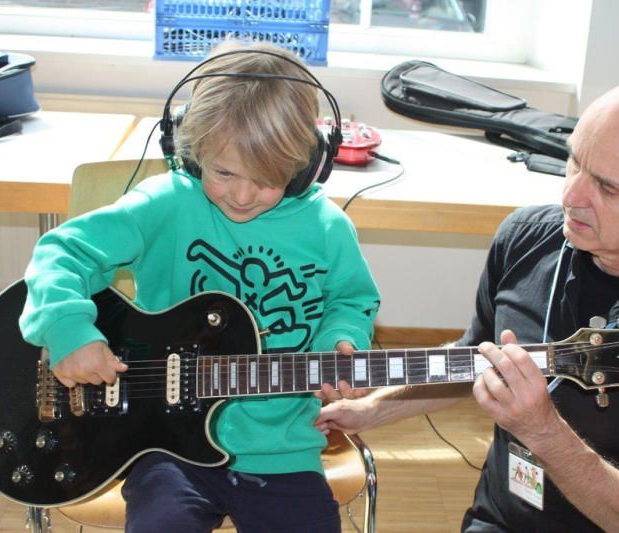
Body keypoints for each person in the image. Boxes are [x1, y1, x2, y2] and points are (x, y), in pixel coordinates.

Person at [317, 78, 619, 532]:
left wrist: (542, 431)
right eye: (574, 162)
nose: (570, 197)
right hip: (498, 519)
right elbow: (475, 357)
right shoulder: (526, 236)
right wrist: (374, 409)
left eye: (608, 189)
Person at [19, 42, 380, 533]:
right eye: (224, 172)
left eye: (267, 179)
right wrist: (68, 328)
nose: (242, 194)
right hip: (166, 447)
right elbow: (63, 251)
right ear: (189, 151)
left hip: (283, 449)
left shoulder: (326, 228)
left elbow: (350, 299)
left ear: (305, 166)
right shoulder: (168, 202)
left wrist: (340, 339)